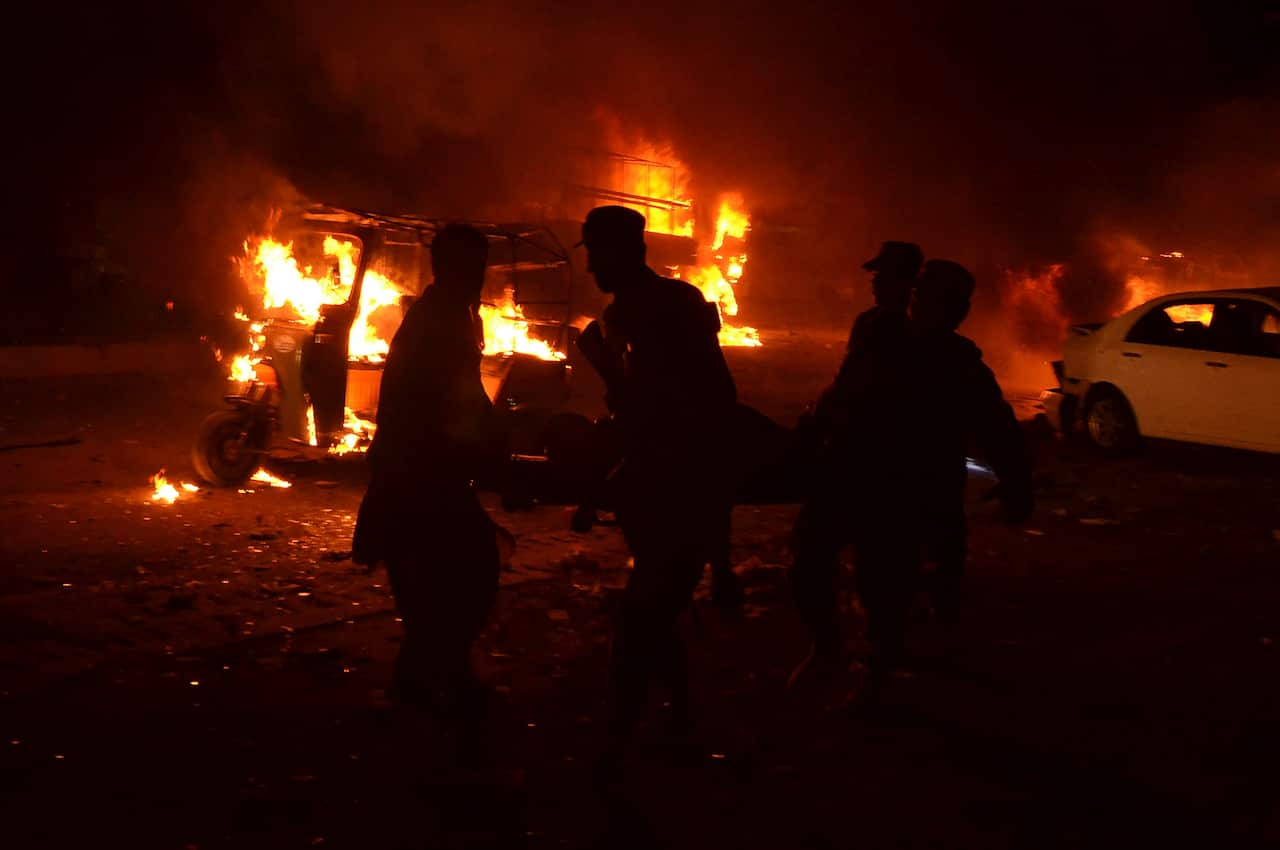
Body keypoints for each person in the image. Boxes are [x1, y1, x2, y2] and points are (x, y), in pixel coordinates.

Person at [574, 205, 738, 765]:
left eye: (597, 253)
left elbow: (696, 405)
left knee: (641, 616)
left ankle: (616, 743)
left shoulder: (663, 309)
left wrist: (604, 367)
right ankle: (682, 718)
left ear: (626, 252)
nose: (591, 266)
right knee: (657, 607)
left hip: (679, 482)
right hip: (654, 483)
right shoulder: (640, 308)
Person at [351, 223, 505, 715]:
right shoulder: (440, 320)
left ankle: (428, 685)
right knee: (464, 576)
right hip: (418, 470)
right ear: (448, 269)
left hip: (420, 468)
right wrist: (497, 444)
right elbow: (455, 400)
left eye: (480, 268)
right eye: (471, 268)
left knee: (444, 582)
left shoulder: (450, 314)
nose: (478, 278)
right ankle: (428, 689)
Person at [787, 241, 923, 691]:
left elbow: (859, 388)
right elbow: (846, 382)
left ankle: (869, 662)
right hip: (852, 457)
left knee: (866, 566)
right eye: (876, 274)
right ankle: (837, 649)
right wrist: (817, 418)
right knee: (817, 553)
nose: (876, 281)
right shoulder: (874, 322)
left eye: (886, 274)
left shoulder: (908, 333)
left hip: (876, 464)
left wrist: (816, 422)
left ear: (909, 282)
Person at [908, 260, 1034, 616]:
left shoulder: (953, 362)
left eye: (922, 295)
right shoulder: (950, 360)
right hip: (914, 486)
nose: (915, 301)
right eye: (917, 293)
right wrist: (1018, 484)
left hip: (921, 486)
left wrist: (1017, 483)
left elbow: (997, 430)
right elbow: (999, 431)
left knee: (924, 570)